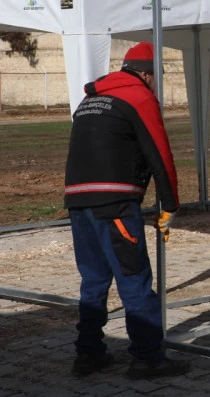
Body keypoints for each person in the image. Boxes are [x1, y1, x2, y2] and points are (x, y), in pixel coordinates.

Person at [65, 42, 190, 379]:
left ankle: (88, 354)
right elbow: (160, 154)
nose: (156, 84)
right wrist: (170, 205)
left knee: (93, 281)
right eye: (156, 77)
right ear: (147, 73)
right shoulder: (138, 97)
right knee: (133, 279)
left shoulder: (89, 101)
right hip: (115, 204)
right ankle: (148, 358)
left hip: (78, 202)